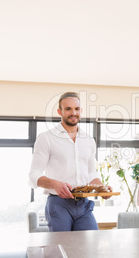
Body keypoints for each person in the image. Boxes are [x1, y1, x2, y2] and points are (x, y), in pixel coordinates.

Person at [29, 92, 112, 232]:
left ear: (81, 111)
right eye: (68, 109)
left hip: (83, 205)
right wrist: (54, 184)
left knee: (90, 248)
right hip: (58, 204)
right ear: (59, 111)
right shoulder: (46, 138)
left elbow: (91, 173)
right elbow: (33, 174)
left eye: (76, 109)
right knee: (61, 250)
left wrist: (101, 188)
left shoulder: (89, 140)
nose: (73, 113)